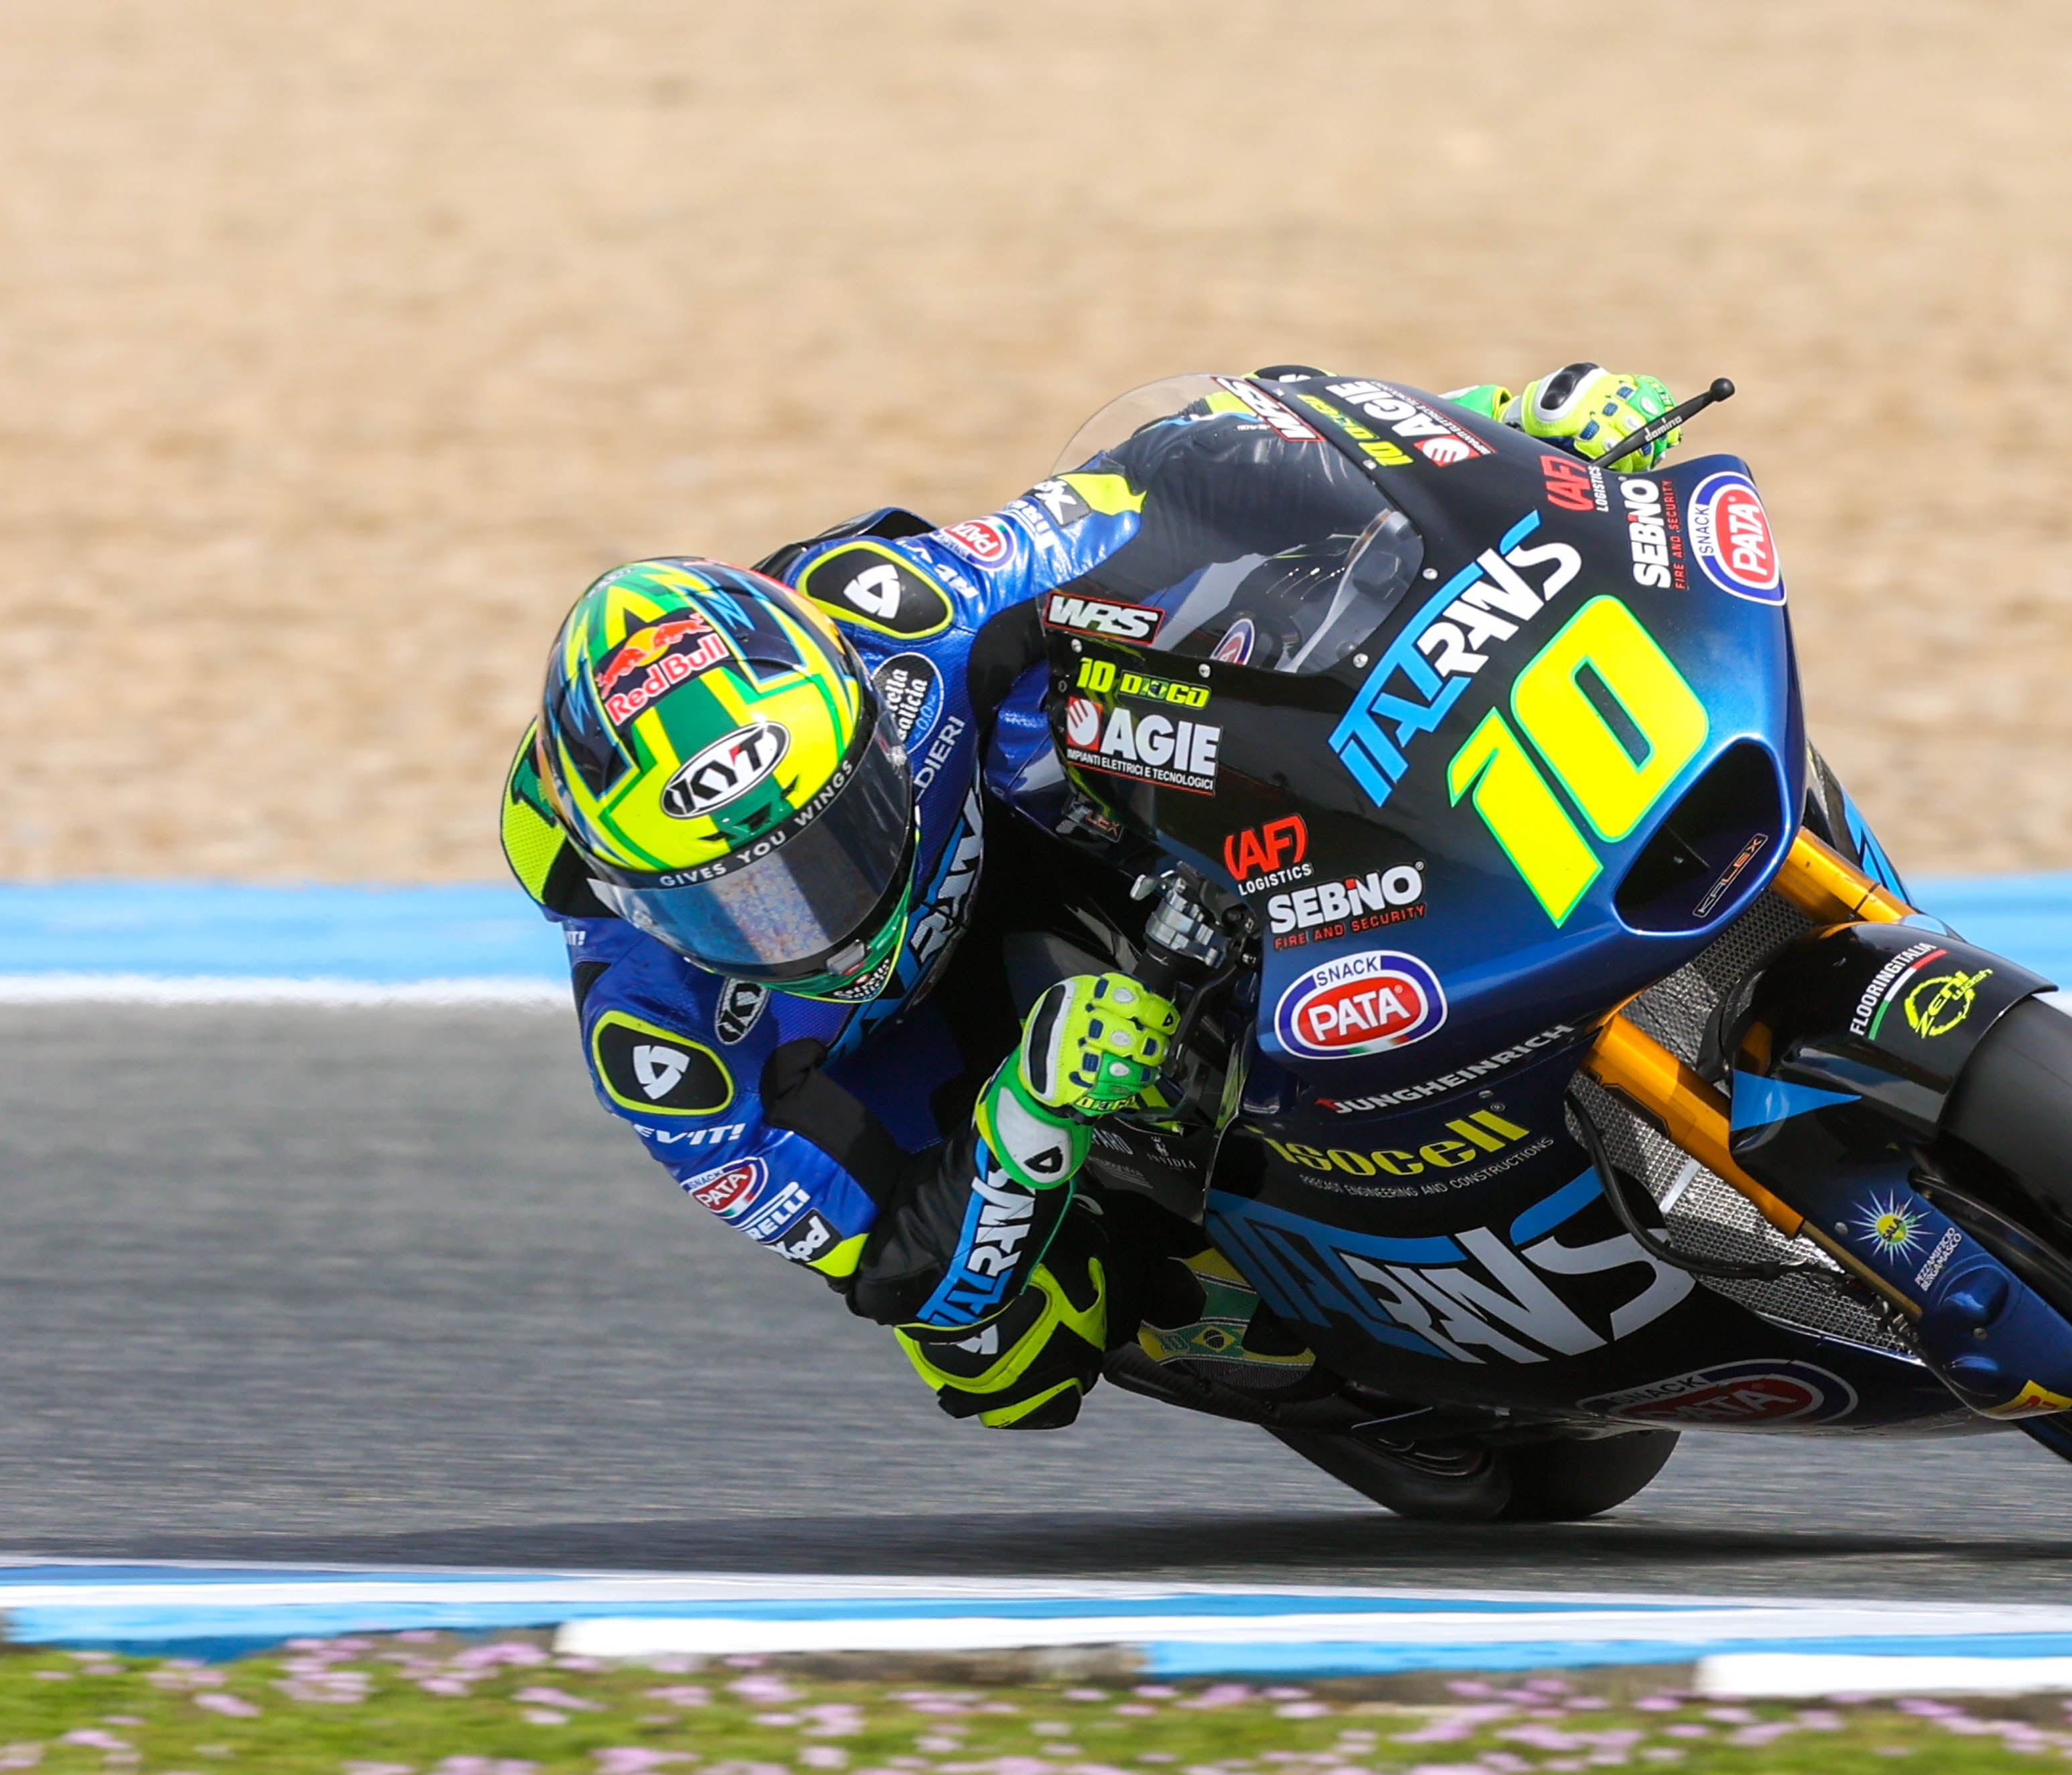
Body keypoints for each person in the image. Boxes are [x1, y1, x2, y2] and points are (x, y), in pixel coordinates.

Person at [498, 366, 1687, 1431]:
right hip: (923, 1055)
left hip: (1039, 820)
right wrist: (1025, 1115)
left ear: (866, 731)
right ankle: (1284, 1321)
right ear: (635, 898)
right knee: (993, 1353)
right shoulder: (660, 1040)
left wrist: (1500, 443)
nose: (804, 925)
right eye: (734, 907)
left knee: (1227, 630)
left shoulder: (898, 615)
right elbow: (888, 1259)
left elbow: (1175, 472)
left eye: (825, 850)